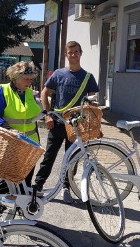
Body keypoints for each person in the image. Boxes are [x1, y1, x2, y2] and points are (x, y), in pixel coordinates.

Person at [34, 41, 99, 203]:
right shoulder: (58, 74)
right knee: (49, 156)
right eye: (70, 52)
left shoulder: (88, 77)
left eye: (76, 52)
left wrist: (93, 109)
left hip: (76, 126)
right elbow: (44, 93)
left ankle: (66, 187)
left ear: (81, 53)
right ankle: (38, 186)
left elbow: (93, 100)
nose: (74, 55)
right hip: (56, 123)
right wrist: (47, 114)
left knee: (72, 160)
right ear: (66, 55)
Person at [0, 61, 42, 202]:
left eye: (31, 79)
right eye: (26, 79)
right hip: (11, 143)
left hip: (30, 144)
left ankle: (22, 211)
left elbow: (35, 115)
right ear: (15, 77)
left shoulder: (30, 93)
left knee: (26, 181)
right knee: (7, 181)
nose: (29, 82)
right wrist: (9, 130)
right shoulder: (3, 90)